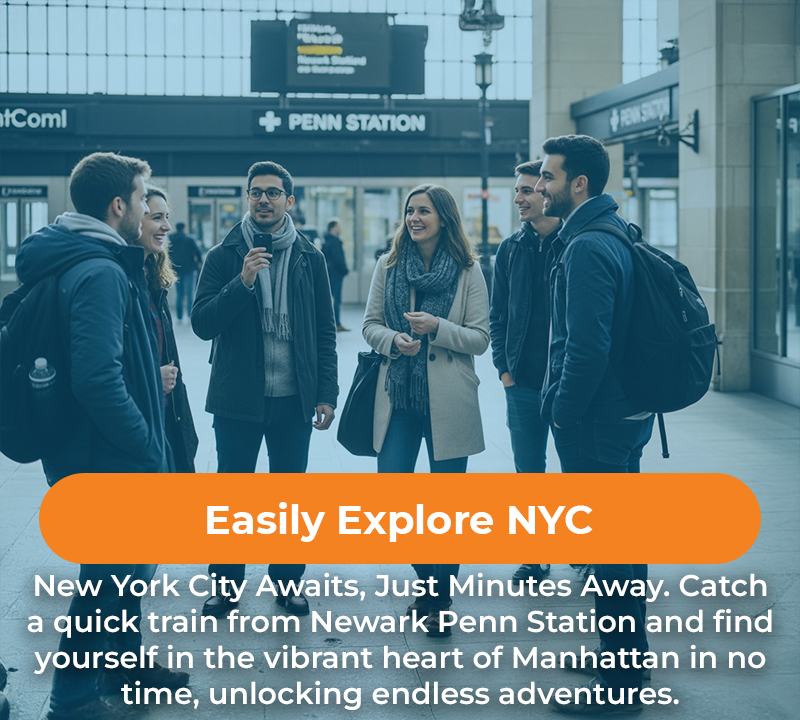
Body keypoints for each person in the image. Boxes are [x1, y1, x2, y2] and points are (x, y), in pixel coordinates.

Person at [15, 152, 186, 719]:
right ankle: (73, 700)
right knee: (103, 587)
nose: (147, 210)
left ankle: (119, 673)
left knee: (121, 575)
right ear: (119, 205)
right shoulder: (101, 271)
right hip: (107, 458)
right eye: (142, 200)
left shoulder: (86, 258)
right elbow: (97, 378)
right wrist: (146, 444)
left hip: (91, 452)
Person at [534, 134, 653, 713]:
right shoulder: (616, 232)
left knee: (609, 550)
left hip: (597, 421)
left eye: (549, 177)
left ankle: (620, 689)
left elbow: (586, 347)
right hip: (625, 413)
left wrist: (561, 413)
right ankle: (621, 656)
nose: (540, 186)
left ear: (577, 183)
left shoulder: (585, 246)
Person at [192, 160, 338, 618]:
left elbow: (324, 331)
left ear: (289, 201)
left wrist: (326, 392)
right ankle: (225, 585)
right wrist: (244, 281)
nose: (263, 199)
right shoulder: (223, 255)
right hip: (238, 398)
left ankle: (288, 582)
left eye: (273, 192)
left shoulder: (311, 258)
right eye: (256, 192)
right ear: (247, 198)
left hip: (294, 397)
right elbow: (201, 323)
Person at [362, 184, 489, 637]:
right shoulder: (388, 264)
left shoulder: (468, 271)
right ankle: (430, 580)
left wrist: (439, 327)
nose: (415, 218)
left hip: (448, 397)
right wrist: (392, 340)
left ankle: (438, 597)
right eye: (410, 211)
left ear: (444, 219)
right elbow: (369, 324)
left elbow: (479, 337)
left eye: (424, 211)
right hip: (397, 397)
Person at [490, 159, 562, 584]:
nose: (518, 197)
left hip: (568, 382)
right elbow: (498, 316)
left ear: (548, 194)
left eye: (527, 190)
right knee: (528, 473)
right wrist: (505, 371)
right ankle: (535, 555)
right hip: (522, 384)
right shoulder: (511, 249)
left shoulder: (575, 245)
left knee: (577, 475)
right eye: (517, 190)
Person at [134, 188, 198, 472]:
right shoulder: (117, 279)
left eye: (167, 217)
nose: (166, 226)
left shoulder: (152, 278)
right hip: (139, 423)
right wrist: (150, 378)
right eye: (156, 217)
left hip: (163, 416)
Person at [168, 221, 203, 323]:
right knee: (189, 293)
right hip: (189, 268)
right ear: (184, 228)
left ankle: (179, 318)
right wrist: (199, 263)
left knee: (179, 294)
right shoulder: (189, 239)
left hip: (176, 269)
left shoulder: (171, 239)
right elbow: (198, 252)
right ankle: (189, 316)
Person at [321, 217, 349, 331]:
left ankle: (332, 323)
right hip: (336, 274)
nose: (339, 228)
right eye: (338, 226)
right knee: (336, 299)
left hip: (330, 273)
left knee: (330, 298)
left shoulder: (327, 240)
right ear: (333, 227)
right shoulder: (334, 241)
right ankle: (336, 323)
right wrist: (345, 270)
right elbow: (338, 258)